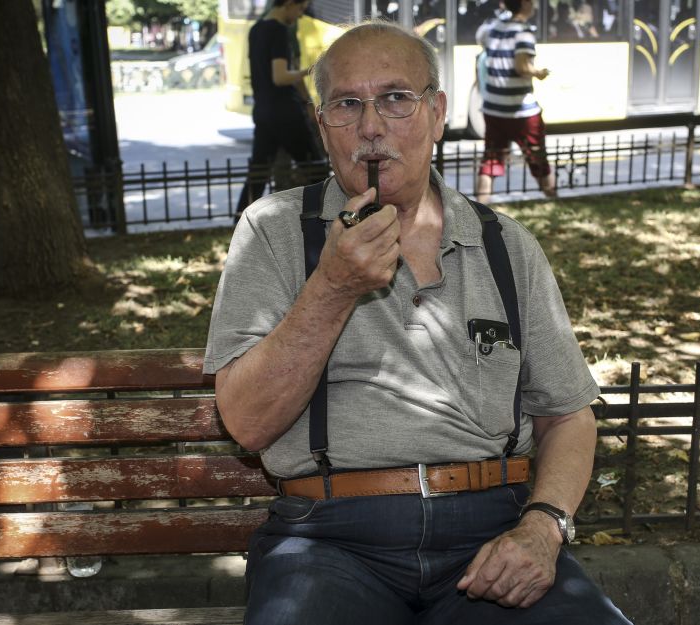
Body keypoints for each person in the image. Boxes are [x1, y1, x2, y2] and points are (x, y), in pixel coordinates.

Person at [204, 20, 630, 625]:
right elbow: (246, 423)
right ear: (322, 123)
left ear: (437, 112)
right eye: (347, 104)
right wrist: (331, 287)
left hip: (491, 533)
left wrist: (542, 527)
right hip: (329, 540)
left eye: (396, 99)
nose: (371, 126)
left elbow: (567, 414)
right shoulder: (273, 233)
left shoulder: (504, 244)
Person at [236, 0, 325, 215]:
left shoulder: (256, 30)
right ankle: (334, 214)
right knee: (315, 166)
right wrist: (311, 70)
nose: (300, 15)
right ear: (288, 4)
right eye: (300, 9)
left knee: (259, 171)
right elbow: (281, 76)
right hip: (285, 112)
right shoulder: (279, 31)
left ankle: (239, 217)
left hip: (264, 111)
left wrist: (307, 102)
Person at [476, 0, 557, 203]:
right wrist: (538, 73)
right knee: (536, 155)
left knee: (491, 158)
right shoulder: (524, 33)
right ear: (524, 4)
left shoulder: (494, 28)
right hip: (521, 111)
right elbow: (522, 66)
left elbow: (482, 42)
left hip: (493, 107)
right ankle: (552, 198)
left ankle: (480, 206)